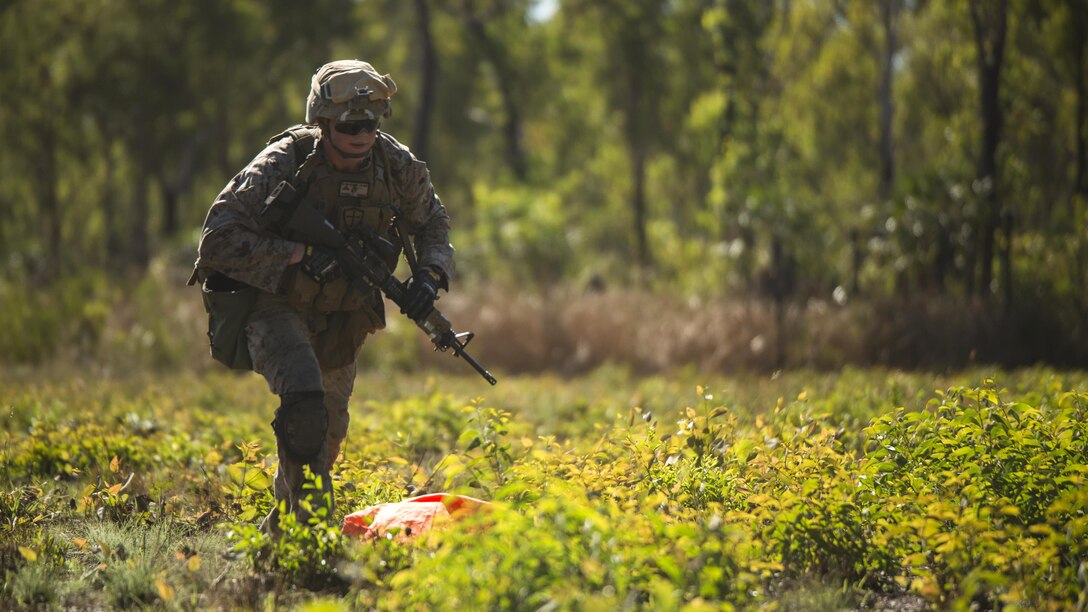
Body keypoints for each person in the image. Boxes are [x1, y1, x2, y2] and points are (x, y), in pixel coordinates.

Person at [190, 59, 454, 533]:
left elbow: (432, 220)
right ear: (324, 123)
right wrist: (295, 253)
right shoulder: (284, 162)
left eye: (370, 123)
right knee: (305, 404)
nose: (361, 133)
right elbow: (217, 239)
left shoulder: (395, 166)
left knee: (325, 434)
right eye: (350, 124)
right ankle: (313, 535)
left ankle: (280, 533)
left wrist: (429, 277)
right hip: (276, 304)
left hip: (343, 312)